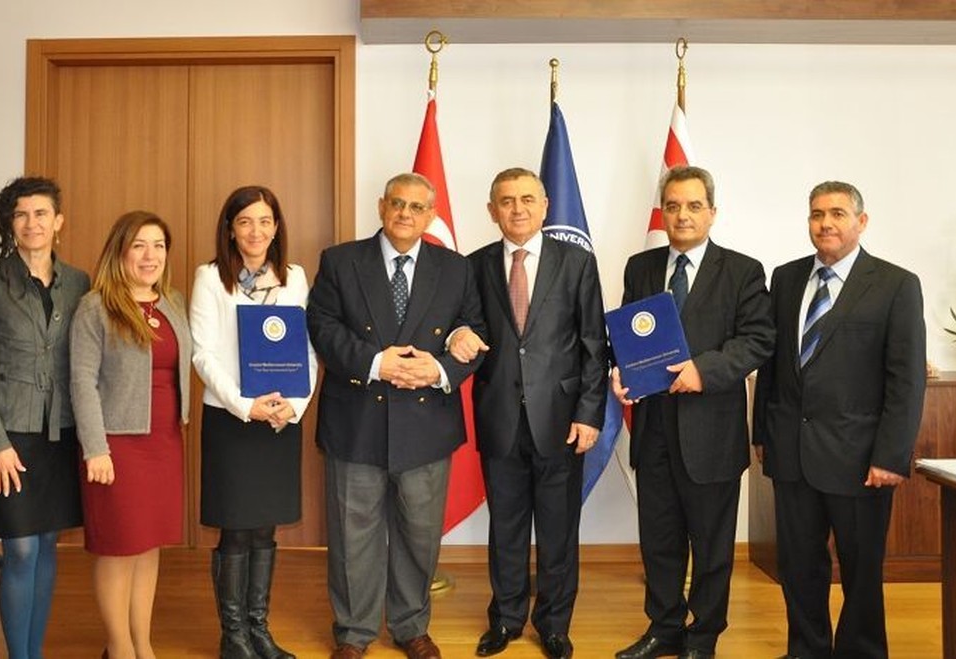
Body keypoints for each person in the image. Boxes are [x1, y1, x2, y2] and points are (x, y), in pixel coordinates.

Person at [306, 172, 485, 659]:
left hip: (426, 425)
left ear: (430, 216)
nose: (405, 214)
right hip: (356, 420)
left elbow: (474, 332)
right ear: (382, 206)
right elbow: (322, 326)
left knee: (419, 534)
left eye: (416, 207)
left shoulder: (455, 268)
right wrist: (374, 363)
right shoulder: (340, 261)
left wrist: (442, 368)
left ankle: (410, 626)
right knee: (352, 533)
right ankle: (353, 631)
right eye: (397, 204)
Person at [752, 181, 926, 659]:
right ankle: (806, 650)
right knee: (799, 568)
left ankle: (862, 652)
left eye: (837, 214)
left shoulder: (896, 284)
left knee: (860, 573)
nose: (825, 223)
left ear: (861, 222)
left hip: (861, 461)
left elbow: (906, 381)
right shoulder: (785, 279)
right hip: (791, 456)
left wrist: (891, 456)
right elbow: (771, 363)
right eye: (815, 214)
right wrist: (763, 433)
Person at [611, 165, 774, 659]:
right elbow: (626, 337)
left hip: (712, 434)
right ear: (663, 211)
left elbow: (757, 340)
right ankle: (663, 627)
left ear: (712, 212)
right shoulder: (640, 267)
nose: (682, 215)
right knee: (659, 542)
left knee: (711, 547)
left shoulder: (743, 270)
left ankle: (703, 636)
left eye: (694, 205)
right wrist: (620, 373)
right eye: (674, 205)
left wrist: (703, 371)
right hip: (654, 430)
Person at [447, 168, 608, 659]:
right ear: (491, 210)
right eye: (506, 201)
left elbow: (592, 345)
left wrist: (589, 413)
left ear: (544, 206)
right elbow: (462, 329)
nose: (517, 209)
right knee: (507, 528)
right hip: (499, 417)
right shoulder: (472, 266)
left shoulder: (576, 262)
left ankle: (554, 624)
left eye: (526, 199)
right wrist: (455, 335)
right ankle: (507, 619)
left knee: (559, 531)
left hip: (561, 420)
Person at [0, 176, 89, 659]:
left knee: (49, 544)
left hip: (62, 432)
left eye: (41, 214)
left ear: (58, 222)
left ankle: (36, 650)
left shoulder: (79, 282)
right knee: (20, 549)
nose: (31, 223)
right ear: (9, 223)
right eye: (21, 214)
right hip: (8, 435)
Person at [189, 185, 318, 659]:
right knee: (235, 528)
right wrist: (246, 404)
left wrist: (295, 405)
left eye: (264, 221)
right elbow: (202, 354)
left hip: (280, 419)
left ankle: (259, 631)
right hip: (232, 419)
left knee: (265, 527)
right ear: (230, 228)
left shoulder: (296, 277)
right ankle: (234, 636)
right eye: (245, 222)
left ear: (277, 227)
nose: (255, 231)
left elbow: (307, 347)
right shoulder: (209, 278)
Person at [69, 211, 191, 659]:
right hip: (116, 445)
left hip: (164, 442)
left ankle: (144, 642)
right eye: (139, 245)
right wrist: (95, 448)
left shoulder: (173, 302)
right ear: (120, 251)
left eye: (158, 245)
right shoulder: (96, 306)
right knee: (118, 547)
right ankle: (119, 647)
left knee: (148, 545)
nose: (150, 255)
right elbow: (81, 381)